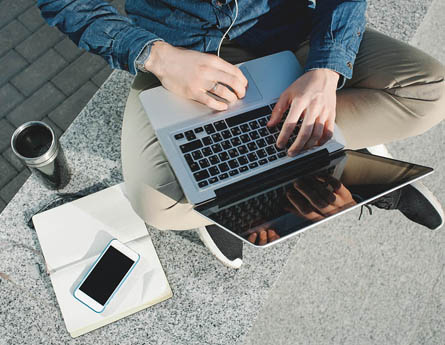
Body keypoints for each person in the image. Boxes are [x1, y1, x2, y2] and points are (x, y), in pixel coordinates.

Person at [37, 0, 445, 269]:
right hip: (184, 52)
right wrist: (157, 57)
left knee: (430, 92)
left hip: (293, 30)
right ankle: (336, 160)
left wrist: (326, 71)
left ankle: (255, 188)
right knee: (154, 204)